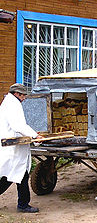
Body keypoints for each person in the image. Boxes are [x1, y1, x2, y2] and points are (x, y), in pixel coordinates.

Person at [0, 83, 42, 213]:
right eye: (23, 95)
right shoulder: (13, 105)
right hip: (13, 147)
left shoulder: (9, 103)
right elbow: (18, 125)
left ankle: (23, 203)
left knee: (19, 175)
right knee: (10, 176)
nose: (24, 98)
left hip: (14, 146)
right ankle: (23, 205)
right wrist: (34, 135)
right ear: (17, 94)